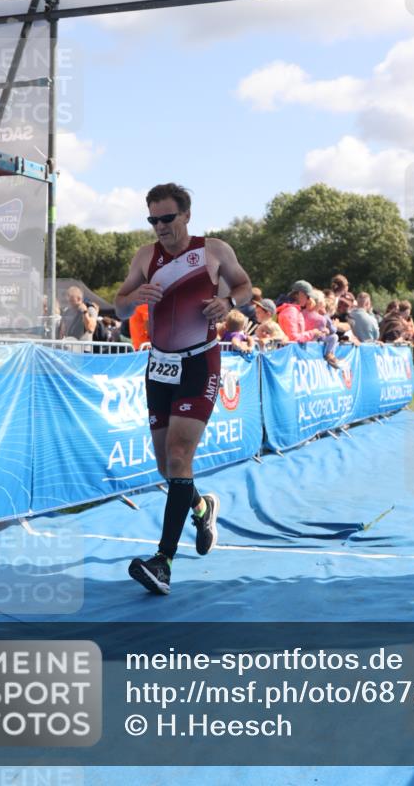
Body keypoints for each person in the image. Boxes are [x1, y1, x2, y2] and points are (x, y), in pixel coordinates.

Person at [115, 183, 251, 596]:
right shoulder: (145, 256)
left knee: (178, 455)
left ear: (186, 216)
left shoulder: (214, 250)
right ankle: (202, 506)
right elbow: (118, 305)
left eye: (167, 218)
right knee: (166, 466)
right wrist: (134, 296)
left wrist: (228, 304)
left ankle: (164, 561)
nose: (160, 227)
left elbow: (245, 289)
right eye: (153, 220)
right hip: (159, 364)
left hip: (199, 362)